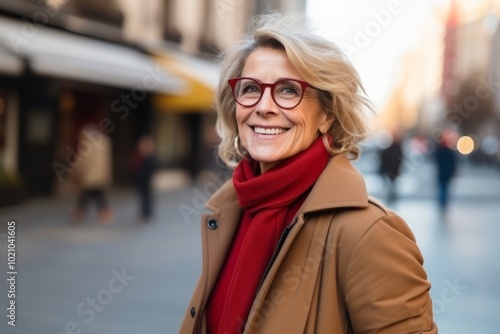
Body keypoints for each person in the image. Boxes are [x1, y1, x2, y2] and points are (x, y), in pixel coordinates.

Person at [180, 13, 437, 334]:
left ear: (327, 116)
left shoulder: (370, 233)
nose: (264, 106)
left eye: (288, 90)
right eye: (250, 89)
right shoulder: (230, 210)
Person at [72, 124, 114, 223]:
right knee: (97, 194)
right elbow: (107, 163)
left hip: (89, 176)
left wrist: (76, 172)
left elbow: (82, 163)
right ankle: (104, 213)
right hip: (100, 176)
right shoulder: (103, 144)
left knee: (86, 195)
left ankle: (80, 213)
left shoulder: (86, 146)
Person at [129, 135, 157, 222]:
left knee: (146, 197)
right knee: (144, 196)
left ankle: (146, 213)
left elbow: (148, 170)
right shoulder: (141, 156)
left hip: (145, 180)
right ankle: (145, 212)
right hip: (141, 180)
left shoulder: (149, 158)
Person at [434, 130, 458, 212]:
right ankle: (443, 201)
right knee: (443, 187)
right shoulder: (445, 151)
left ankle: (443, 201)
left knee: (443, 187)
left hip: (444, 172)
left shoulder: (441, 150)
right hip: (445, 172)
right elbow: (453, 162)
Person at [378, 129, 404, 202]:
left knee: (393, 191)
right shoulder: (387, 147)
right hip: (387, 172)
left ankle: (392, 203)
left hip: (394, 172)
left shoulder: (399, 147)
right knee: (388, 191)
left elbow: (400, 160)